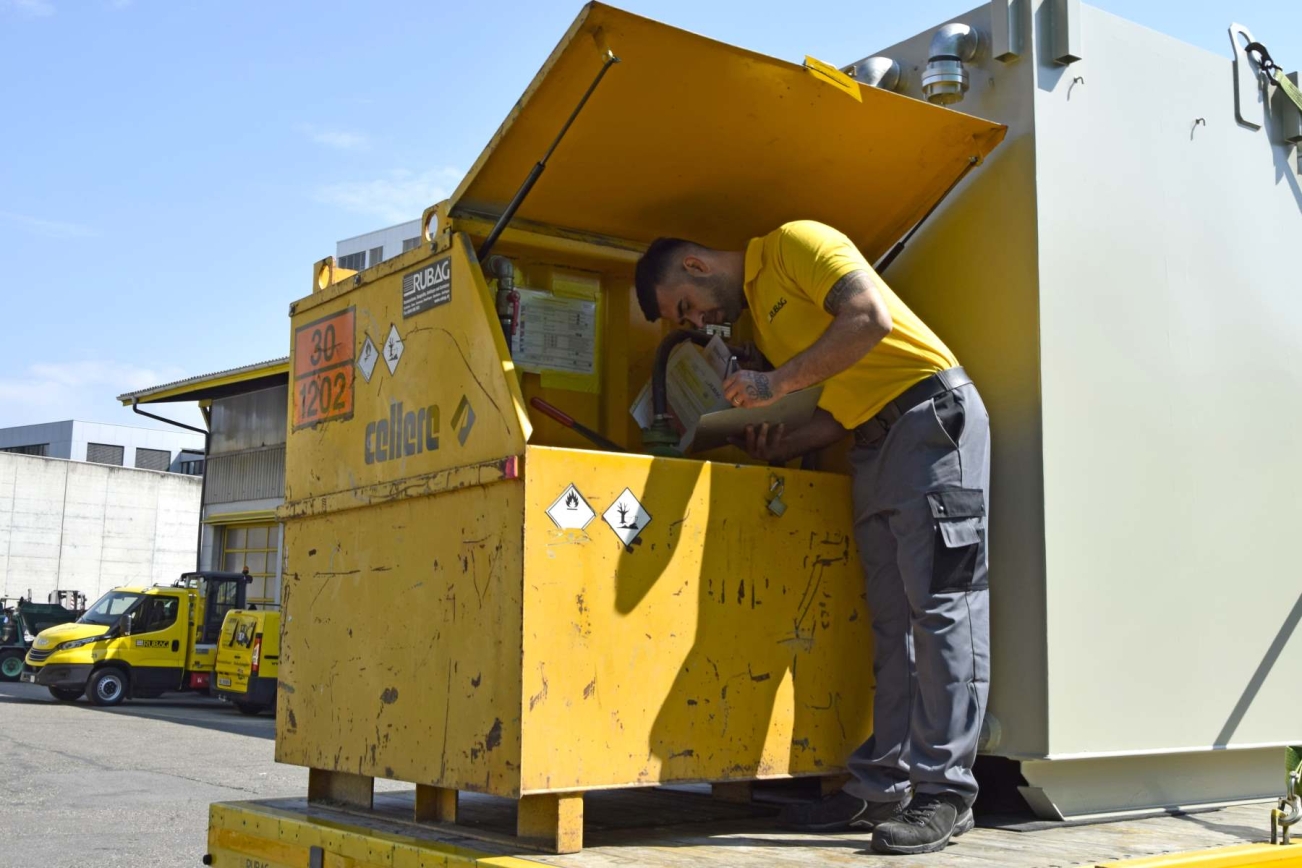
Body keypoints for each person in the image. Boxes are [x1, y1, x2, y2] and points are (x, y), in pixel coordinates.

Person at [634, 220, 990, 856]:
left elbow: (869, 319)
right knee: (892, 623)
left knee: (942, 611)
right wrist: (779, 439)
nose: (696, 320)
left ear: (694, 265)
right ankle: (881, 790)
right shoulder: (766, 325)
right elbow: (842, 398)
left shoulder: (795, 243)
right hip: (875, 441)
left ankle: (947, 793)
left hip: (931, 422)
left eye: (687, 307)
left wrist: (775, 383)